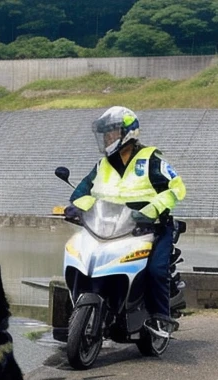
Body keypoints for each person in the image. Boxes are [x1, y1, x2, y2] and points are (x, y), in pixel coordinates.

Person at [67, 106, 186, 338]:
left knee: (155, 270)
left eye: (112, 133)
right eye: (105, 134)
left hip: (152, 227)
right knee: (86, 259)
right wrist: (76, 208)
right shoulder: (103, 165)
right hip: (112, 228)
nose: (107, 138)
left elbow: (176, 188)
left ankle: (160, 318)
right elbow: (82, 192)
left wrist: (153, 209)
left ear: (127, 132)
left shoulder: (150, 159)